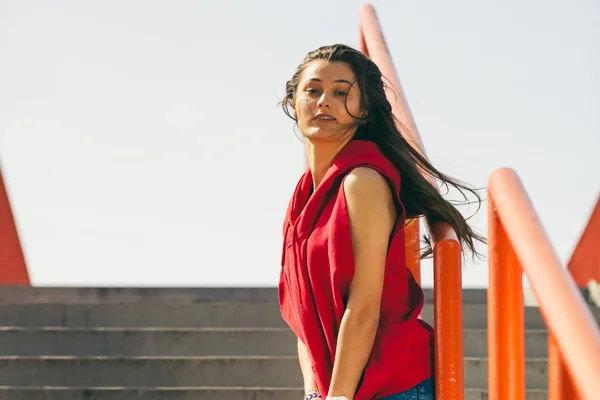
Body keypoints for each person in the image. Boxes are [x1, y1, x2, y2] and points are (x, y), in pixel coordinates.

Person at [278, 44, 484, 400]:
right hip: (340, 388)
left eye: (341, 92)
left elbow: (365, 305)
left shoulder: (363, 182)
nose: (324, 100)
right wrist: (314, 393)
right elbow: (303, 312)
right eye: (313, 90)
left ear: (363, 109)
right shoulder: (303, 197)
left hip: (392, 384)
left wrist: (338, 397)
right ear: (293, 102)